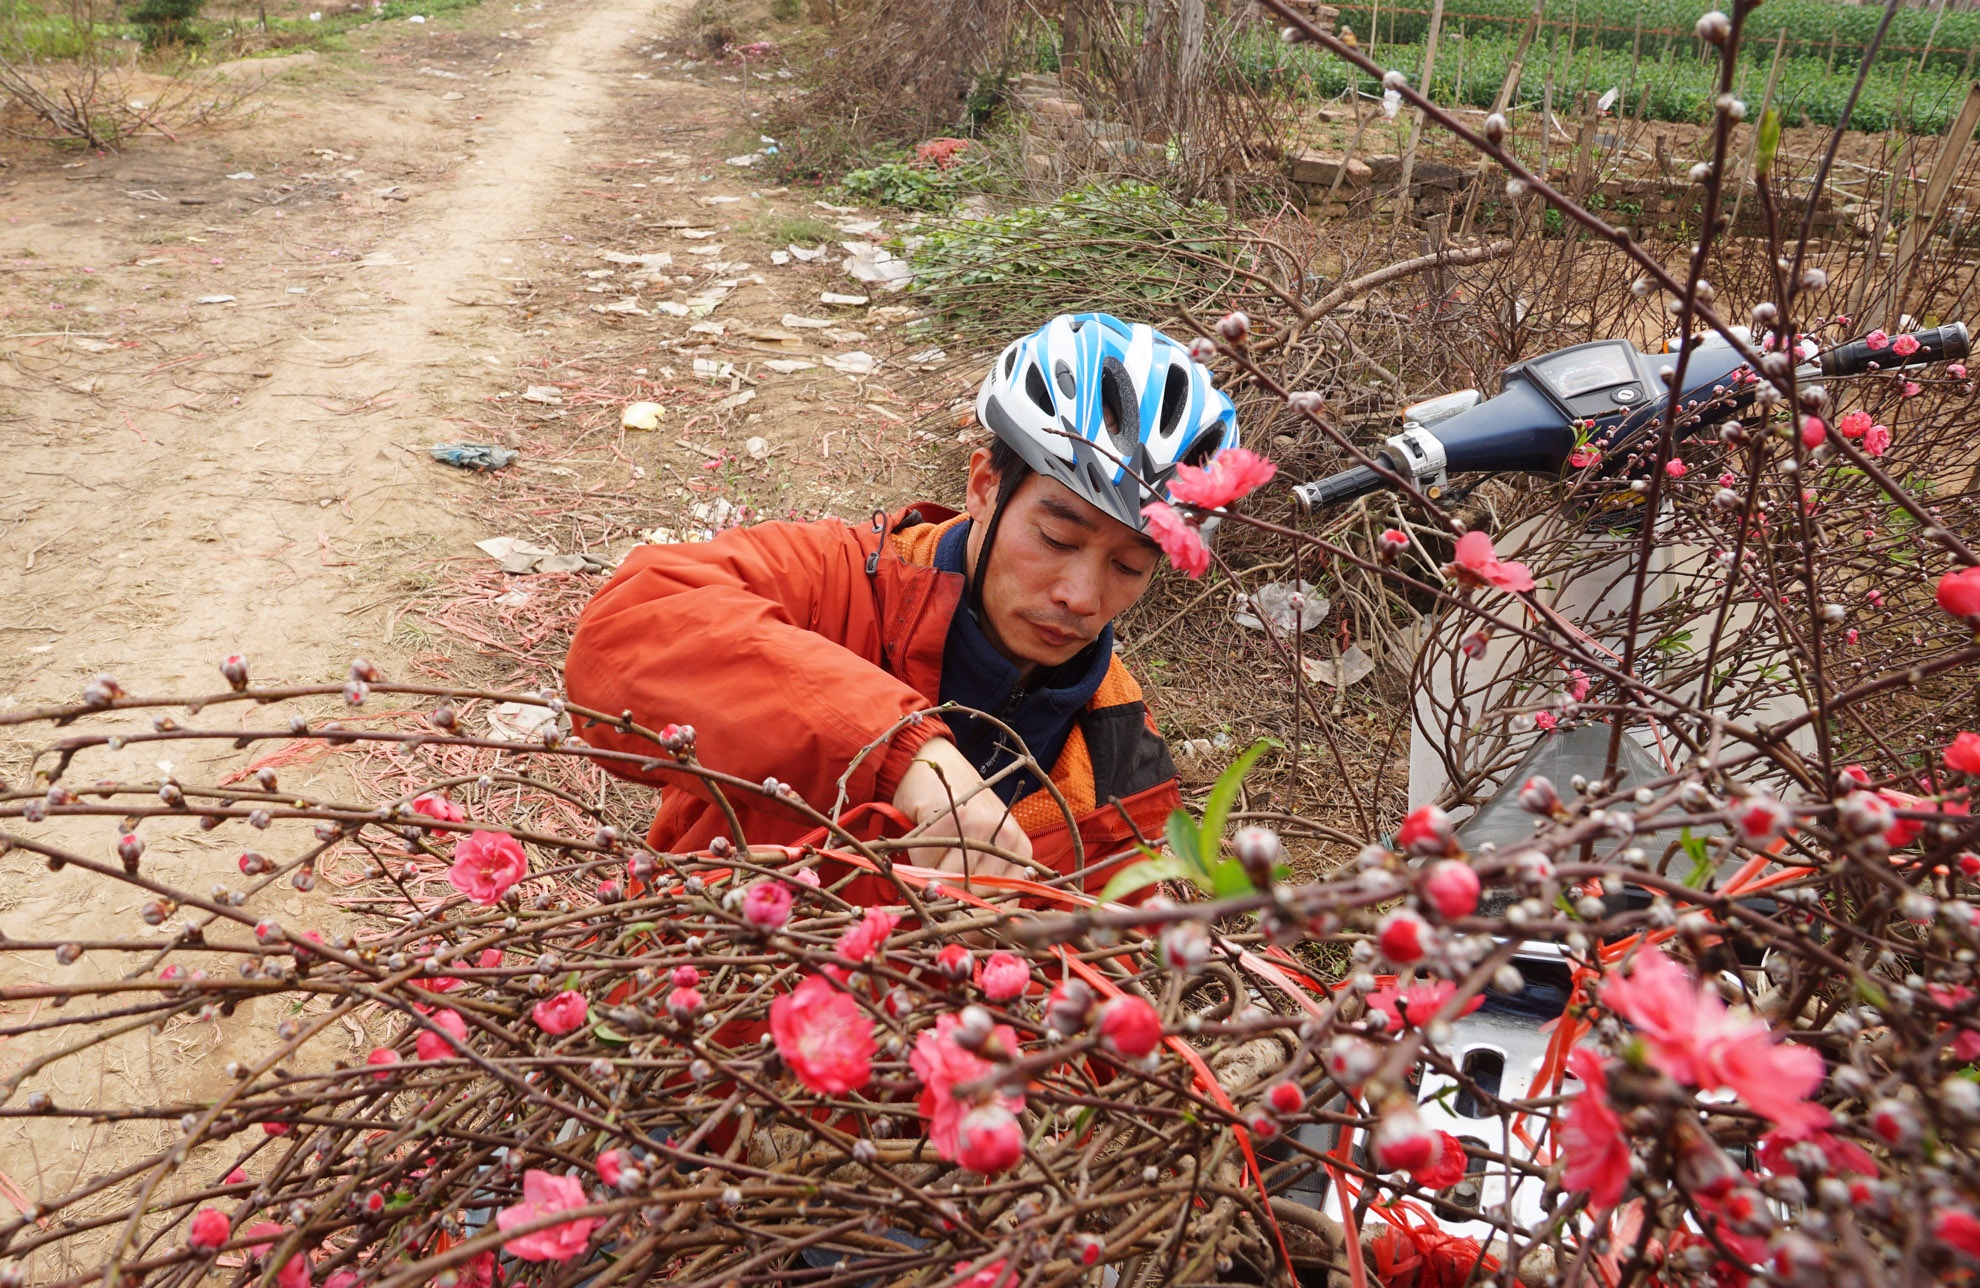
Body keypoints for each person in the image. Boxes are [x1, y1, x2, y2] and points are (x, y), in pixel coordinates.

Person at [564, 313, 1240, 894]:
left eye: (1129, 565)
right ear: (983, 488)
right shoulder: (835, 583)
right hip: (707, 1011)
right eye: (1057, 536)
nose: (1081, 597)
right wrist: (899, 749)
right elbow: (624, 633)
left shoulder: (1121, 761)